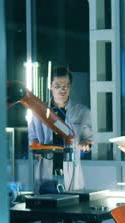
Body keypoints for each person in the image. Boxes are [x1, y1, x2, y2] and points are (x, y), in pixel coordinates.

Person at [28, 66, 93, 194]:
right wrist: (36, 148)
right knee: (46, 208)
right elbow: (32, 138)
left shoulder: (82, 112)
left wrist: (86, 144)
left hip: (71, 169)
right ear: (50, 86)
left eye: (66, 85)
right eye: (58, 85)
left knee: (72, 208)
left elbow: (88, 140)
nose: (63, 89)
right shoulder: (39, 111)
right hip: (46, 169)